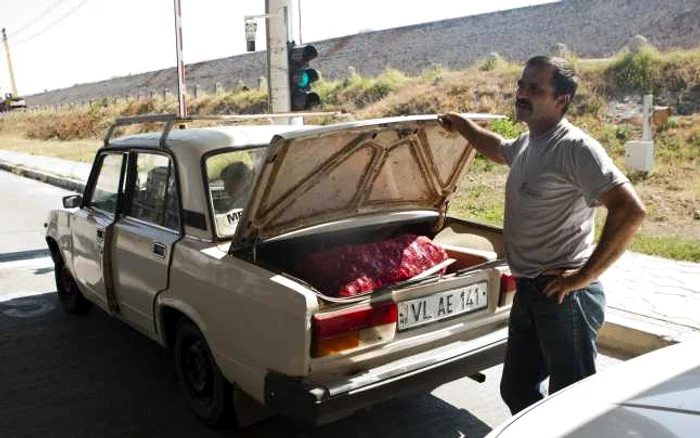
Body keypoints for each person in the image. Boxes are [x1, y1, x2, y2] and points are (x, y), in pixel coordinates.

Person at [438, 56, 646, 415]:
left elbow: (631, 211)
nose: (522, 93)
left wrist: (582, 277)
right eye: (521, 85)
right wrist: (462, 125)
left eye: (535, 89)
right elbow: (496, 147)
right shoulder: (530, 143)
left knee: (572, 405)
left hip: (564, 295)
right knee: (517, 389)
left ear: (561, 100)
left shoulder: (575, 148)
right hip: (530, 290)